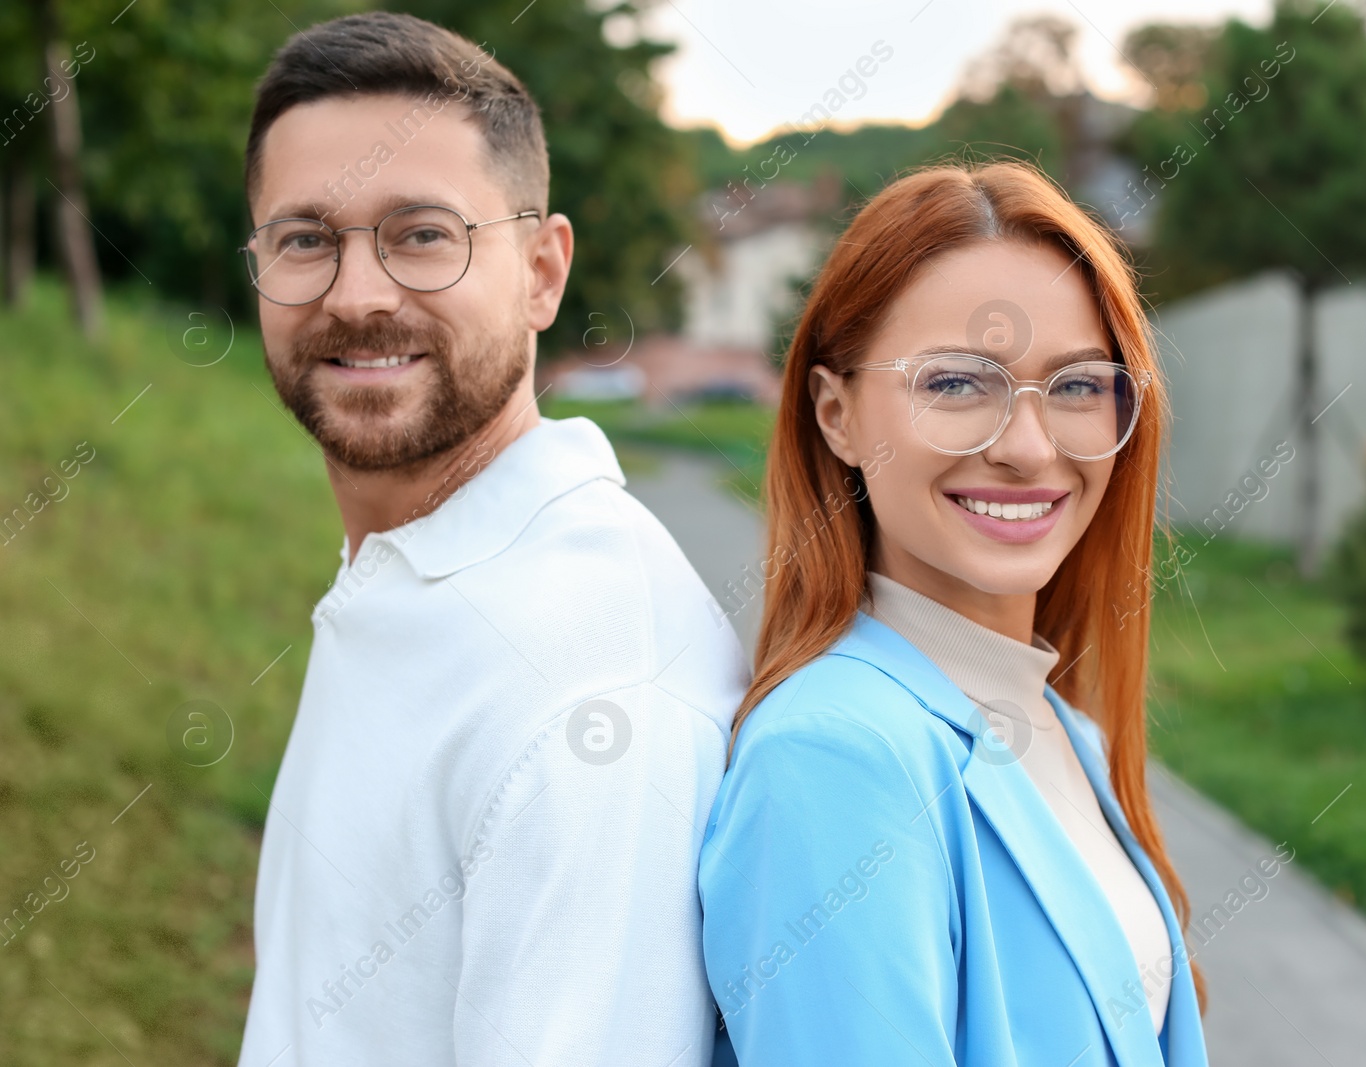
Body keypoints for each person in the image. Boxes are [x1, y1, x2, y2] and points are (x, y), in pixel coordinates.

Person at [235, 13, 749, 1066]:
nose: (358, 293)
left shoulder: (590, 693)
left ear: (541, 272)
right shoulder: (414, 570)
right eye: (305, 239)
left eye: (421, 233)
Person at [698, 161, 1209, 1066]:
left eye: (1080, 385)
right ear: (836, 414)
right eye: (956, 383)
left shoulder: (1062, 726)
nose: (1027, 445)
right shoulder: (835, 758)